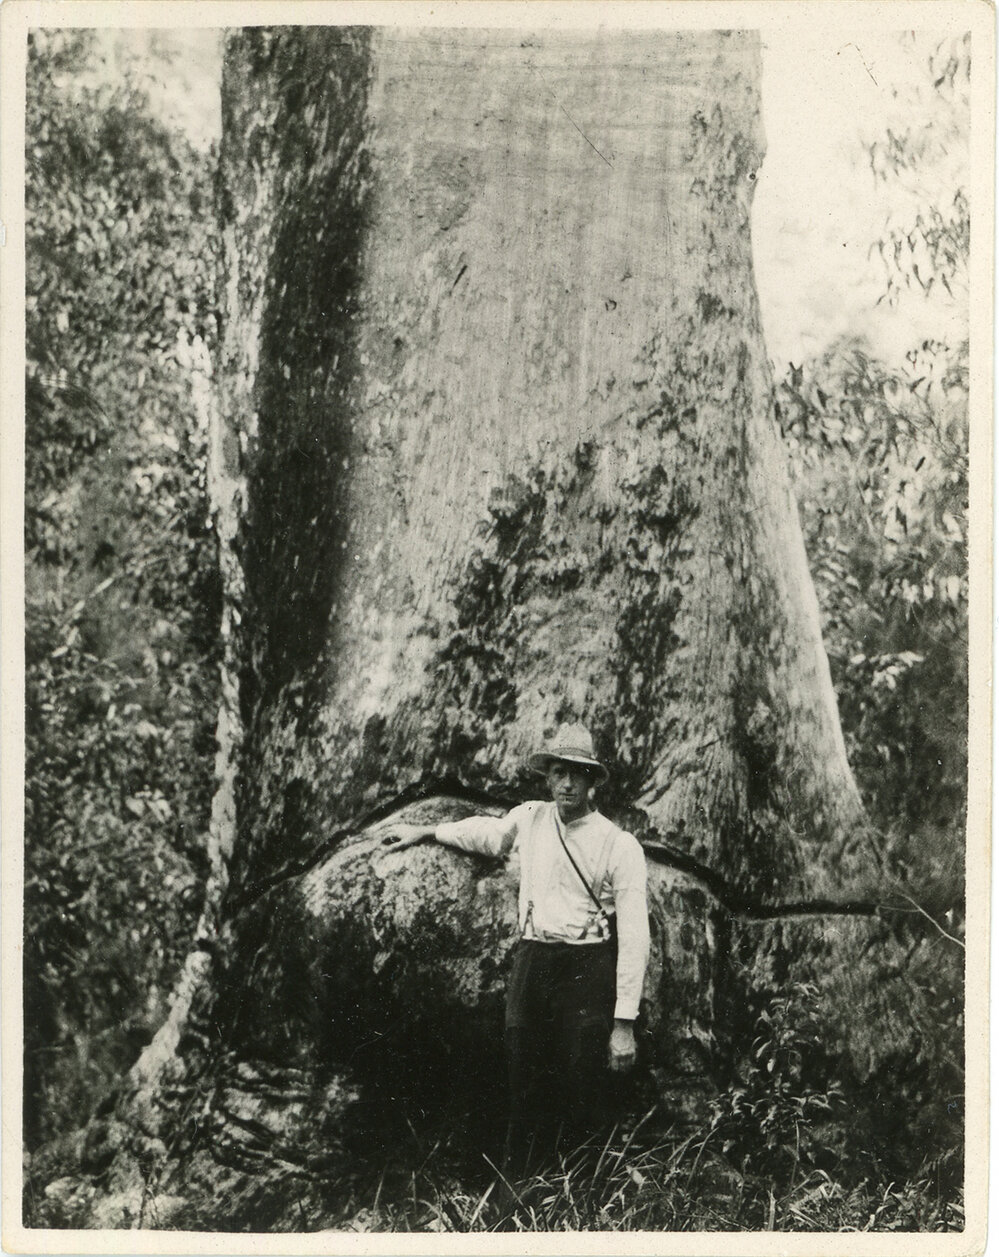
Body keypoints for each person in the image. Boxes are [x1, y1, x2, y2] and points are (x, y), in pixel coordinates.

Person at [377, 724, 650, 1178]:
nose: (567, 784)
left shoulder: (618, 845)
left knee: (582, 1090)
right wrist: (425, 831)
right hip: (532, 963)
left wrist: (624, 1024)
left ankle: (583, 1210)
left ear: (592, 781)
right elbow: (486, 834)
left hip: (586, 970)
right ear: (547, 776)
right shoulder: (530, 818)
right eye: (560, 772)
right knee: (523, 1086)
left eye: (578, 775)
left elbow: (636, 937)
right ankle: (518, 1205)